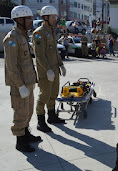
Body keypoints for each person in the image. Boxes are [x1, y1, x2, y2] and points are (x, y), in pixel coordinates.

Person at [3, 5, 41, 152]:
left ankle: (25, 133)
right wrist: (19, 85)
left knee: (28, 110)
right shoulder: (12, 38)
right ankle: (20, 141)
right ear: (19, 19)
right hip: (20, 84)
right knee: (20, 112)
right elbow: (11, 66)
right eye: (28, 19)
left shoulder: (23, 36)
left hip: (28, 81)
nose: (31, 22)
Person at [32, 5, 66, 133]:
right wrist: (47, 70)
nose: (54, 19)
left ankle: (52, 116)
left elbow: (55, 52)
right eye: (52, 17)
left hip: (54, 70)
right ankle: (41, 122)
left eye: (55, 17)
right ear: (45, 17)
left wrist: (61, 64)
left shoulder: (51, 31)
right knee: (44, 95)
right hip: (45, 71)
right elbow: (39, 55)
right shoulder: (39, 33)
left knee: (53, 94)